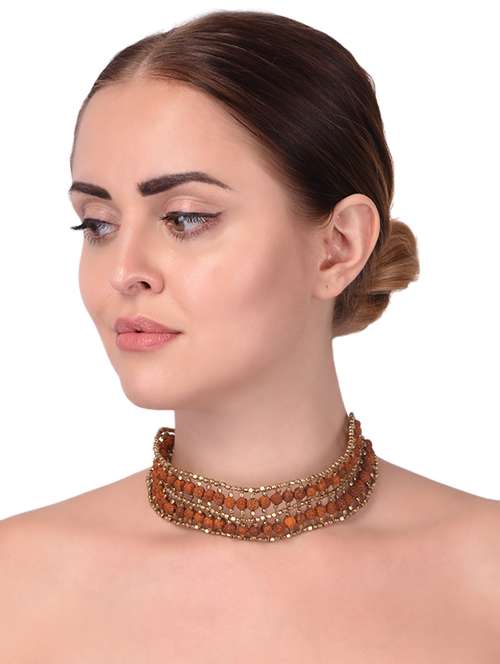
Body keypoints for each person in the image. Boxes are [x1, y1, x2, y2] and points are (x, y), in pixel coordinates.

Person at [1, 9, 498, 662]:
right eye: (98, 224)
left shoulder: (487, 577)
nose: (124, 271)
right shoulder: (16, 584)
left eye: (185, 217)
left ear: (337, 247)